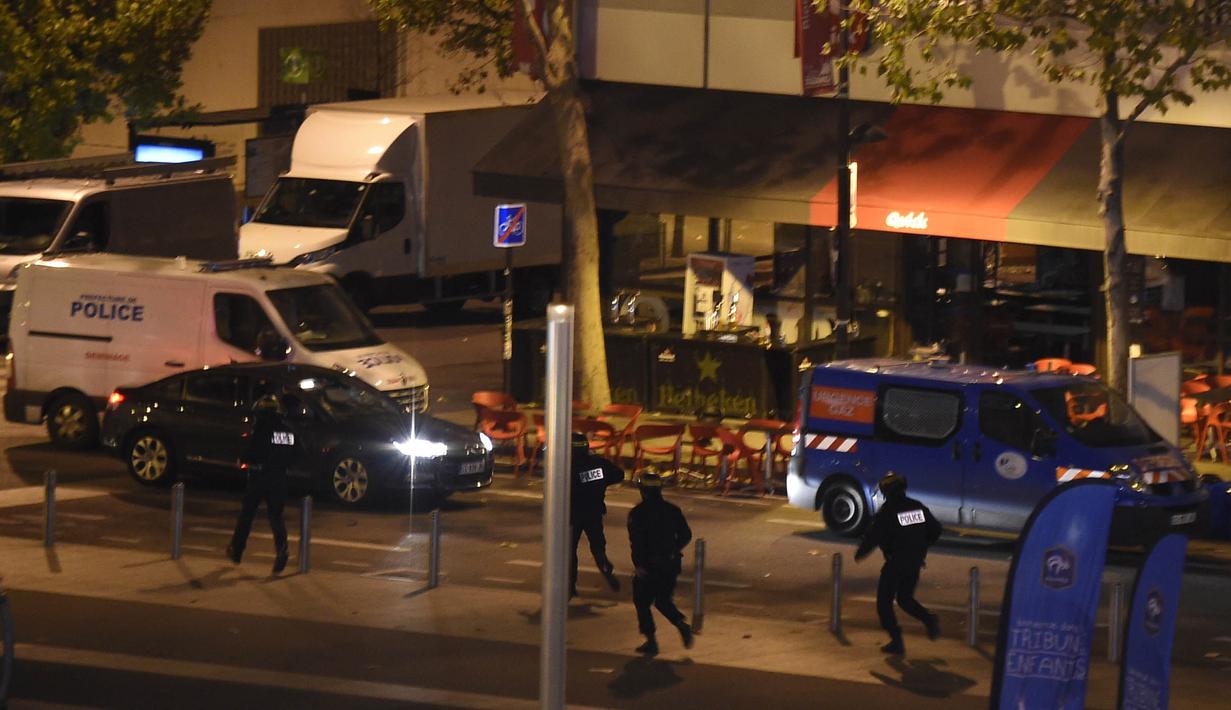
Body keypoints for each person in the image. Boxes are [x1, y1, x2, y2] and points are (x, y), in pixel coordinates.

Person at [855, 472, 943, 655]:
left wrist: (860, 553)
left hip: (896, 563)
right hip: (914, 562)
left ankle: (896, 640)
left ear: (886, 491)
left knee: (884, 603)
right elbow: (935, 530)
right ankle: (928, 619)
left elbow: (872, 537)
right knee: (904, 599)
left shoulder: (887, 512)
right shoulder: (916, 507)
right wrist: (921, 546)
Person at [227, 392, 297, 574]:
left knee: (247, 515)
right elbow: (298, 453)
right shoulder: (288, 431)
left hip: (259, 478)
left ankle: (237, 550)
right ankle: (282, 552)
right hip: (279, 479)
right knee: (276, 517)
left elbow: (249, 453)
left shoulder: (260, 430)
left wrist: (243, 460)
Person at [627, 470, 694, 657]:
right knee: (663, 600)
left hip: (649, 563)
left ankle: (651, 640)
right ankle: (681, 624)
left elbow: (637, 542)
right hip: (670, 563)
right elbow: (686, 535)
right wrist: (672, 550)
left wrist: (639, 564)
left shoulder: (638, 513)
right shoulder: (672, 510)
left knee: (642, 601)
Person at [570, 432, 625, 598]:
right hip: (594, 512)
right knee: (598, 548)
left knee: (570, 551)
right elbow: (619, 475)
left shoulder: (568, 466)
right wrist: (602, 482)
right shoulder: (599, 463)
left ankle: (570, 586)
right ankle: (606, 568)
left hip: (573, 515)